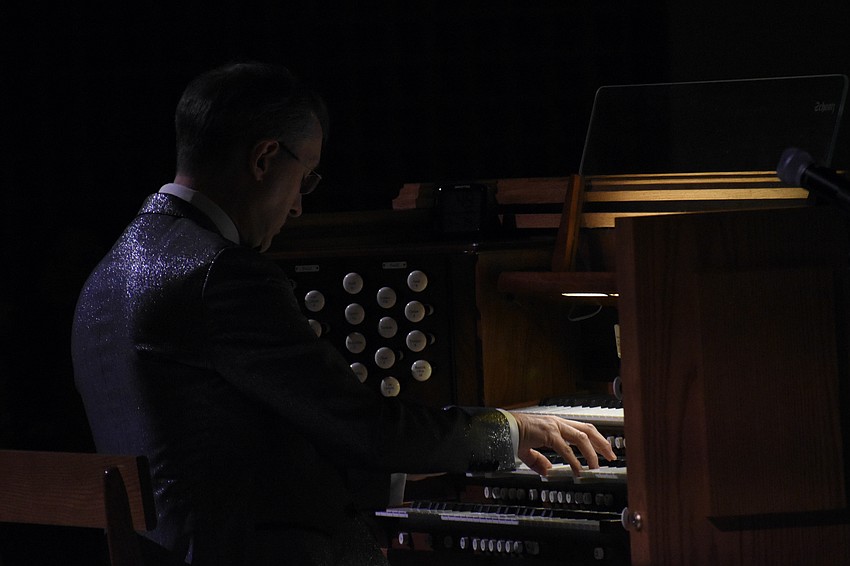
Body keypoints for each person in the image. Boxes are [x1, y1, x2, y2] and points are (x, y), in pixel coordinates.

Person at [71, 61, 617, 566]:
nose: (298, 206)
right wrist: (508, 428)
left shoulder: (110, 270)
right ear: (264, 158)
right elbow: (367, 428)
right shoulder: (222, 274)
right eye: (304, 178)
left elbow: (233, 453)